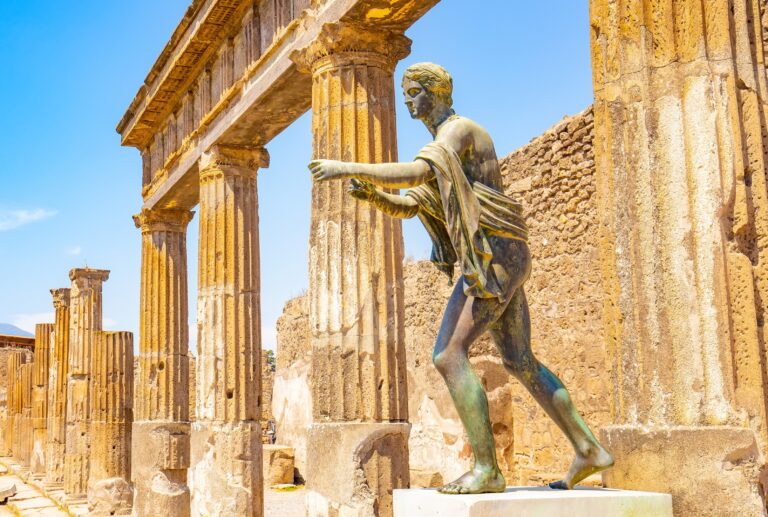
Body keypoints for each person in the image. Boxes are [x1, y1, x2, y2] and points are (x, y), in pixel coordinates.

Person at [308, 62, 613, 494]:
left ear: (438, 91)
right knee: (519, 361)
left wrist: (346, 167)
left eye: (414, 92)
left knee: (449, 356)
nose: (408, 101)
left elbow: (417, 174)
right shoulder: (443, 148)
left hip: (494, 257)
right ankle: (588, 448)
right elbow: (414, 203)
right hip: (501, 255)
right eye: (405, 93)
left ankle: (488, 470)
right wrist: (376, 196)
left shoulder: (458, 132)